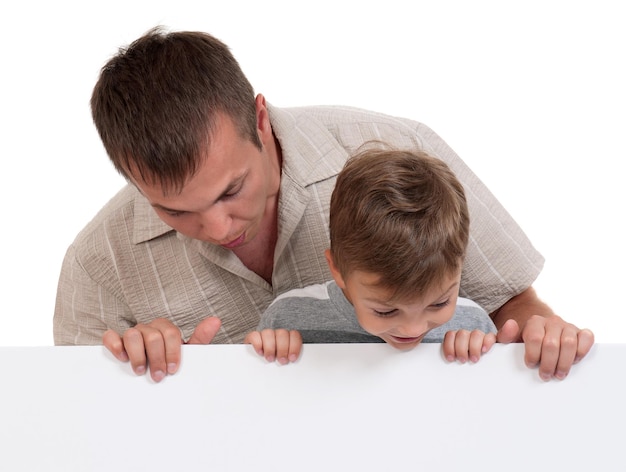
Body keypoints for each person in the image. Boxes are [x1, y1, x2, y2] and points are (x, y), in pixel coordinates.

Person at [53, 27, 594, 383]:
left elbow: (511, 304)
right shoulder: (98, 265)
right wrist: (147, 378)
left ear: (259, 120)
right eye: (174, 211)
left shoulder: (401, 152)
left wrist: (541, 332)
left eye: (230, 190)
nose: (217, 226)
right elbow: (80, 428)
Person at [245, 147, 499, 365]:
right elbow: (252, 398)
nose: (413, 329)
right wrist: (263, 355)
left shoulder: (472, 324)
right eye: (386, 311)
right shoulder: (288, 317)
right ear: (338, 270)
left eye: (439, 303)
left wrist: (483, 362)